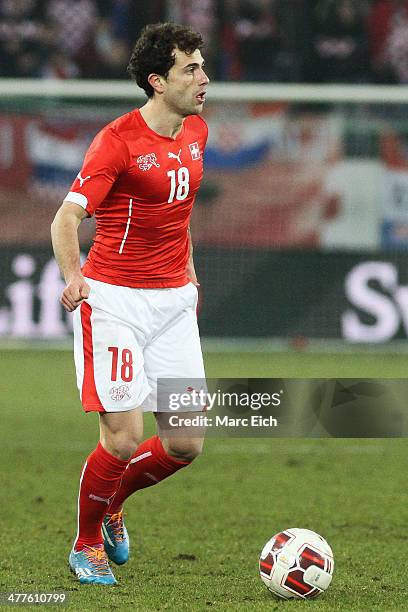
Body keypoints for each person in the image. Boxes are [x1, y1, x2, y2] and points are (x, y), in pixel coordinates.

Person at [51, 22, 210, 585]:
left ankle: (112, 504)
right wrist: (74, 277)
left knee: (186, 442)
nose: (203, 78)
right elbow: (65, 217)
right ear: (156, 80)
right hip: (115, 300)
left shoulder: (197, 134)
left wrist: (187, 275)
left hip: (173, 304)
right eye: (190, 68)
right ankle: (86, 544)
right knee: (121, 436)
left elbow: (179, 216)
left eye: (201, 65)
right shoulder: (116, 141)